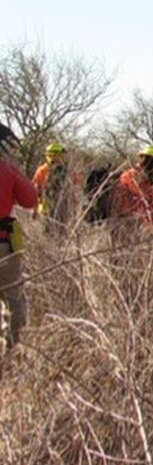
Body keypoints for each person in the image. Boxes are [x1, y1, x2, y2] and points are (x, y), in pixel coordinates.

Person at [0, 123, 38, 349]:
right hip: (4, 244)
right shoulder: (7, 169)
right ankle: (12, 350)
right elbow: (30, 200)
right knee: (14, 299)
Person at [32, 142, 78, 234]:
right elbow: (74, 187)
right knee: (60, 232)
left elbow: (36, 190)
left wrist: (35, 210)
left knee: (49, 233)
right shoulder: (68, 170)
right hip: (59, 207)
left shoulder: (42, 170)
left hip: (50, 207)